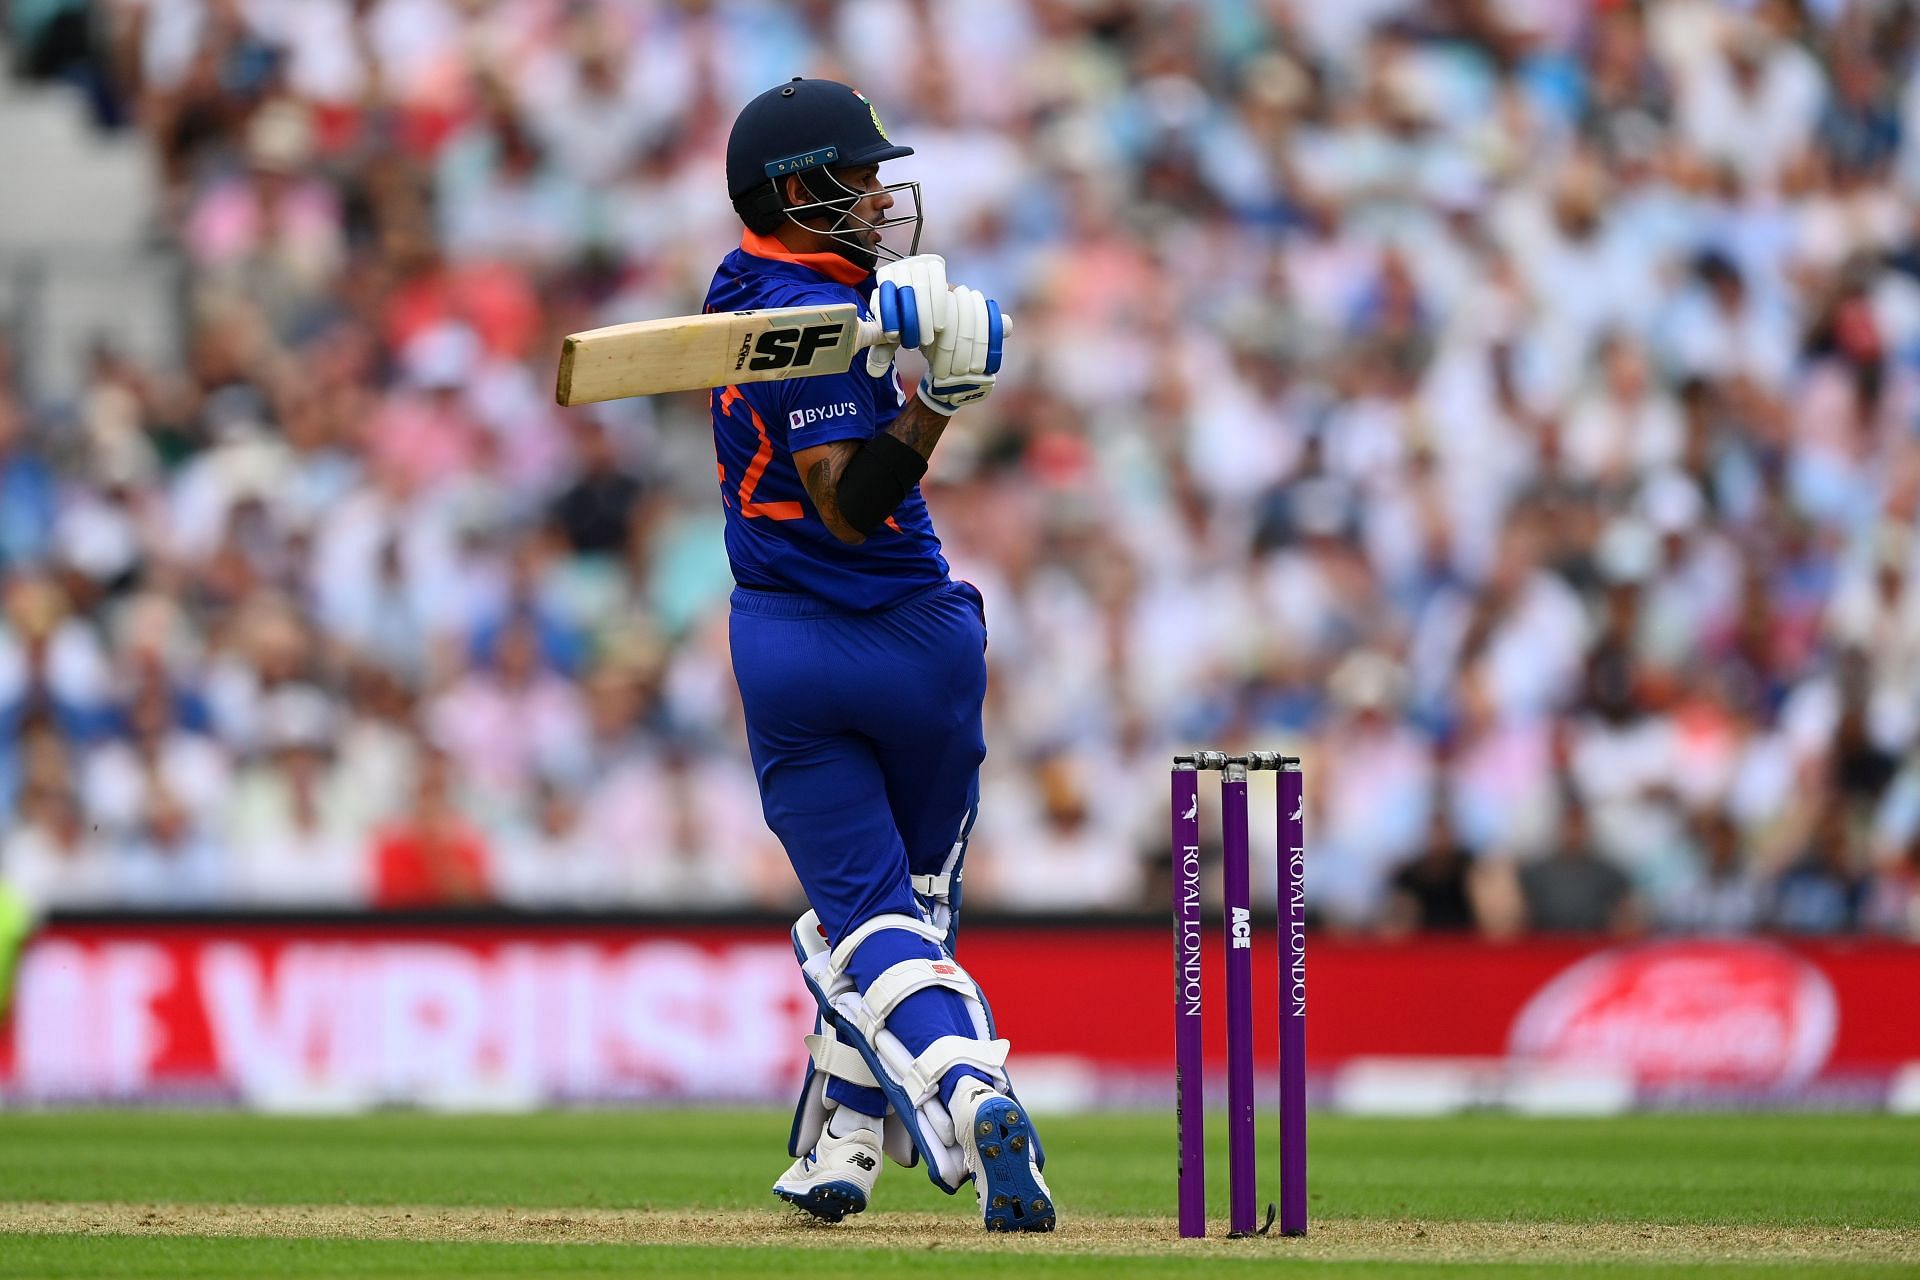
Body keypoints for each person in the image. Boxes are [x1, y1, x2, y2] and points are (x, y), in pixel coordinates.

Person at [705, 78, 1050, 1232]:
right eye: (855, 178)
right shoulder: (802, 328)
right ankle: (848, 1145)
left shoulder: (740, 287)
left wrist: (887, 324)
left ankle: (960, 1086)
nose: (877, 195)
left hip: (797, 650)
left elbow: (815, 309)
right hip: (919, 639)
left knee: (866, 922)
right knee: (912, 907)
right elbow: (850, 504)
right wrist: (940, 398)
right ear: (800, 190)